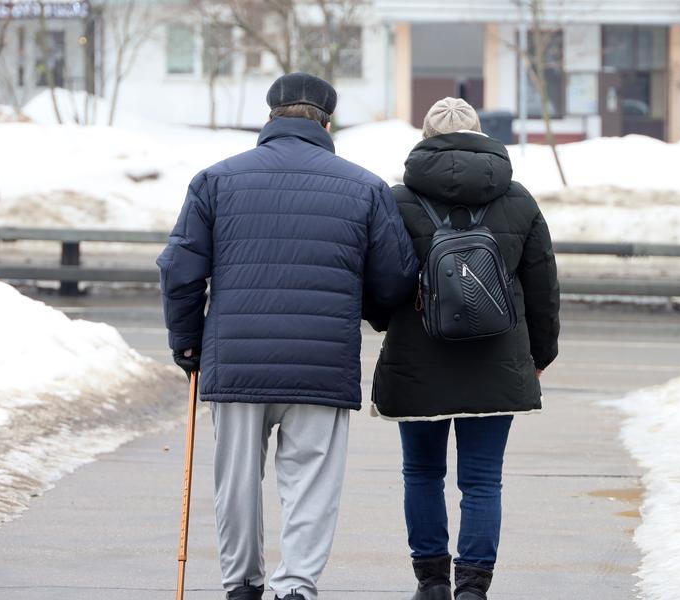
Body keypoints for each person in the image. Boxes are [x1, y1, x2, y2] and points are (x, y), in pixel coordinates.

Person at [157, 72, 418, 600]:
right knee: (311, 484)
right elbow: (394, 279)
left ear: (270, 116)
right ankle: (296, 586)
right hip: (320, 363)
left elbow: (180, 270)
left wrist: (188, 343)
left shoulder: (215, 180)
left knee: (236, 483)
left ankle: (242, 584)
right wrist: (358, 308)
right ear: (327, 121)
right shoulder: (363, 186)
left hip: (235, 361)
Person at [368, 97, 561, 600]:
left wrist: (387, 323)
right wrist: (538, 357)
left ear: (426, 139)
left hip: (417, 360)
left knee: (422, 473)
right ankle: (473, 587)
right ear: (481, 137)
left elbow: (380, 281)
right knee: (481, 480)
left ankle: (431, 583)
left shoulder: (396, 199)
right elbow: (543, 287)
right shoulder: (518, 198)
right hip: (496, 361)